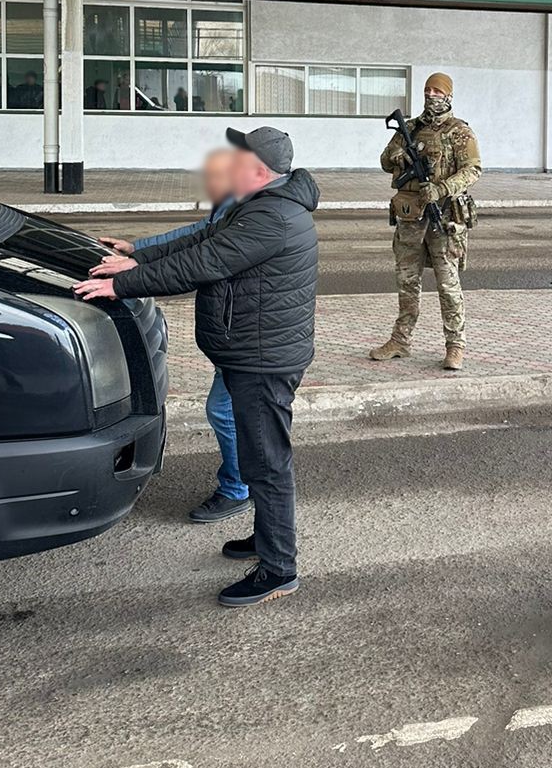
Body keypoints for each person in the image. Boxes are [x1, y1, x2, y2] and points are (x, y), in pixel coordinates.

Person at [76, 126, 319, 608]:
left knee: (267, 463)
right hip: (251, 352)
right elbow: (204, 238)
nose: (226, 163)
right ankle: (270, 538)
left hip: (262, 361)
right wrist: (137, 259)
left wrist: (122, 287)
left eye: (237, 157)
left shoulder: (274, 218)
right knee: (258, 457)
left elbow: (204, 261)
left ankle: (278, 568)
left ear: (258, 170)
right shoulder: (259, 205)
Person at [98, 147, 245, 524]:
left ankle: (239, 488)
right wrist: (139, 250)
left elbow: (197, 262)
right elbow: (197, 234)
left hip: (250, 335)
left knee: (226, 411)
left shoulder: (261, 211)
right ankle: (253, 483)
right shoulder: (238, 201)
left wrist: (127, 281)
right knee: (243, 413)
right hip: (234, 331)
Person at [369, 72, 481, 372]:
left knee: (448, 286)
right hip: (410, 219)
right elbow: (384, 160)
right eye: (427, 90)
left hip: (444, 219)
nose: (431, 95)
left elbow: (473, 170)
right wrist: (398, 155)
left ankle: (455, 345)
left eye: (437, 90)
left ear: (448, 95)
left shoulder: (460, 132)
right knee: (407, 284)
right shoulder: (411, 128)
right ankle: (401, 341)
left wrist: (442, 188)